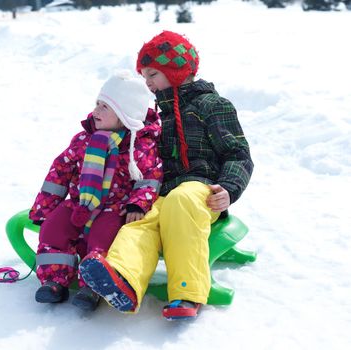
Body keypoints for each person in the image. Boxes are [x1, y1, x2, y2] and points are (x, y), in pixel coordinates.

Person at [79, 30, 254, 320]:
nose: (147, 83)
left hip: (203, 191)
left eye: (153, 74)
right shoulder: (155, 114)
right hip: (163, 191)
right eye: (144, 76)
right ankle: (124, 279)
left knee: (181, 201)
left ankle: (187, 290)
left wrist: (229, 187)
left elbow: (238, 153)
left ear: (176, 71)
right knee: (140, 221)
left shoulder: (212, 106)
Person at [29, 70, 163, 312]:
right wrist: (45, 208)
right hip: (79, 204)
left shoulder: (138, 148)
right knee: (53, 229)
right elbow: (59, 172)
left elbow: (150, 179)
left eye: (105, 107)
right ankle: (54, 279)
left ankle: (92, 285)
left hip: (113, 209)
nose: (96, 112)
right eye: (97, 104)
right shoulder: (84, 140)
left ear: (125, 116)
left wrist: (137, 204)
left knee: (103, 240)